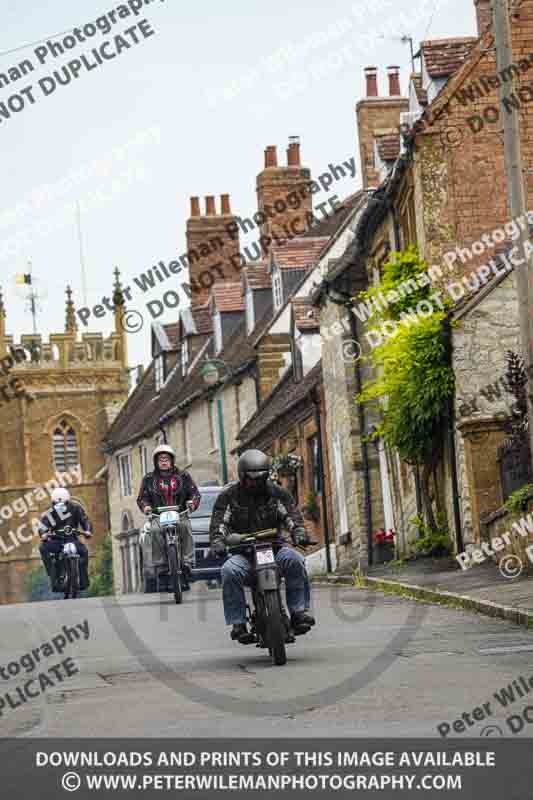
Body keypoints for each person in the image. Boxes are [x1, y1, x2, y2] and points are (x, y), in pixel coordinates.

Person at [209, 449, 315, 641]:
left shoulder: (277, 493)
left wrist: (298, 532)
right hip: (244, 554)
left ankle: (298, 612)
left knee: (296, 560)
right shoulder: (229, 497)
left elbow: (290, 516)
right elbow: (220, 524)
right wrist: (217, 541)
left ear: (266, 475)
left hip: (274, 550)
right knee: (229, 571)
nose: (256, 483)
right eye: (251, 479)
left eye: (261, 478)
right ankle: (238, 623)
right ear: (242, 476)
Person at [137, 444, 201, 581]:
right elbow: (142, 498)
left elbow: (195, 493)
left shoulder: (183, 476)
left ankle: (187, 562)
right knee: (154, 531)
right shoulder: (148, 479)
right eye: (161, 459)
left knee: (186, 527)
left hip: (181, 513)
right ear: (156, 462)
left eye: (166, 459)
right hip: (158, 516)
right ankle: (161, 566)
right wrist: (146, 507)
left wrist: (192, 504)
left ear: (172, 460)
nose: (164, 462)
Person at [38, 488, 92, 590]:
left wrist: (88, 530)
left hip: (72, 539)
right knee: (43, 548)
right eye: (56, 504)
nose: (60, 507)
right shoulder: (50, 513)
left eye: (64, 504)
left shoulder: (76, 508)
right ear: (53, 503)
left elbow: (85, 520)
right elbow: (43, 526)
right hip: (56, 541)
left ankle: (84, 581)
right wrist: (43, 534)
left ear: (68, 501)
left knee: (84, 551)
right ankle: (52, 575)